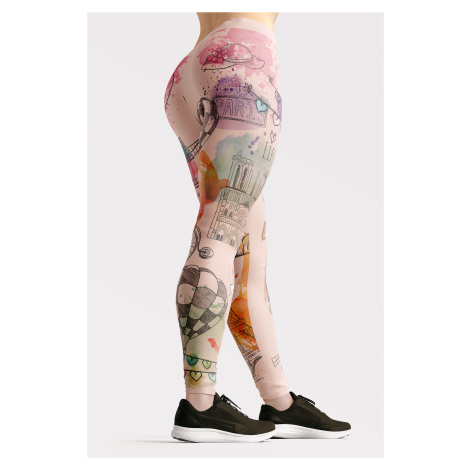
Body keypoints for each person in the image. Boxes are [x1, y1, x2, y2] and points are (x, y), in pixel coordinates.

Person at [164, 12, 351, 443]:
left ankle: (279, 402)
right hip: (244, 55)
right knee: (221, 226)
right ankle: (199, 405)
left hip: (190, 67)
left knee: (247, 251)